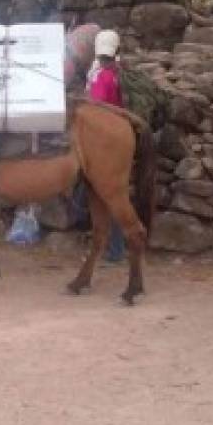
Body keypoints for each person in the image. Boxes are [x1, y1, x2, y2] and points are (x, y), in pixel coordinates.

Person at [86, 29, 127, 263]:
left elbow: (97, 107)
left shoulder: (102, 76)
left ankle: (115, 248)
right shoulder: (117, 71)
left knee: (109, 193)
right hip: (116, 130)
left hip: (103, 138)